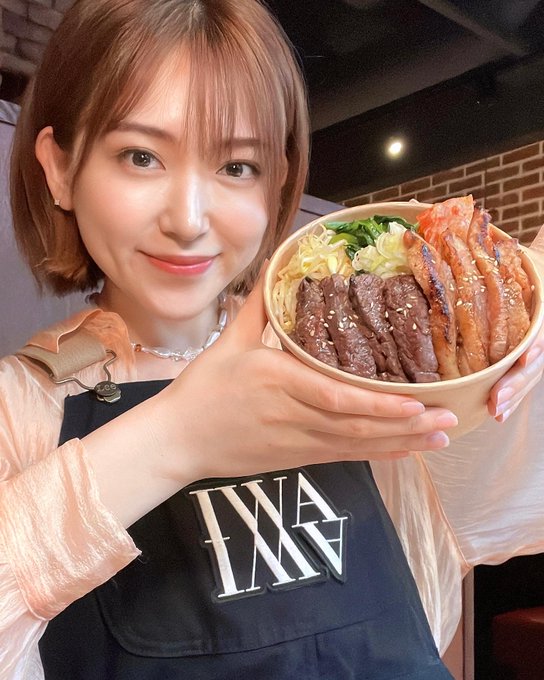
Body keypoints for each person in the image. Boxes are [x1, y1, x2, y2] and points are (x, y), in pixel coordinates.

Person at [0, 0, 543, 677]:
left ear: (278, 180)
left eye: (237, 167)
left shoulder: (359, 369)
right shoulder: (18, 409)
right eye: (140, 156)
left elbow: (499, 497)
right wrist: (177, 437)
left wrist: (522, 319)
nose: (188, 220)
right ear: (59, 168)